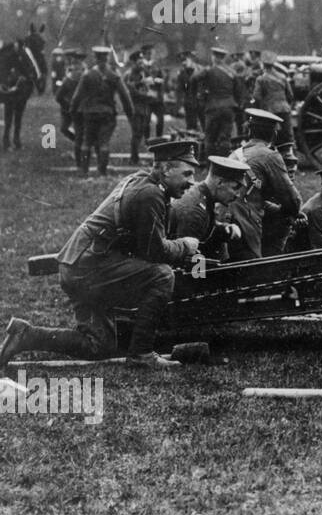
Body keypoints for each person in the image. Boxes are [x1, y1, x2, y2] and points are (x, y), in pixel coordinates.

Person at [0, 139, 202, 367]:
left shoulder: (140, 181)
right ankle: (142, 353)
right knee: (162, 275)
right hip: (88, 270)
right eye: (187, 174)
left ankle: (25, 335)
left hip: (78, 265)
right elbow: (155, 251)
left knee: (99, 345)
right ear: (165, 169)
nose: (191, 182)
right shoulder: (149, 195)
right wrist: (185, 245)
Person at [226, 108, 301, 260]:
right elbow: (292, 200)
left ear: (249, 132)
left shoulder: (235, 154)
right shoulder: (269, 155)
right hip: (245, 221)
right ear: (274, 134)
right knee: (256, 271)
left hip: (224, 217)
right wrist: (292, 213)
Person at [169, 154, 248, 261]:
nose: (238, 195)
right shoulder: (194, 211)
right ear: (220, 182)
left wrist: (223, 228)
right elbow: (191, 263)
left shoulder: (203, 196)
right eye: (235, 188)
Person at [70, 46, 134, 177]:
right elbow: (125, 96)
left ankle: (84, 170)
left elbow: (77, 96)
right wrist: (130, 113)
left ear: (95, 58)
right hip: (107, 114)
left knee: (87, 142)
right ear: (108, 58)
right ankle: (101, 172)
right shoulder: (114, 75)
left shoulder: (87, 75)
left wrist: (73, 111)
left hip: (89, 114)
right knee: (104, 142)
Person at [198, 46, 244, 159]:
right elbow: (238, 91)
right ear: (223, 58)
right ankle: (223, 166)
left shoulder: (208, 71)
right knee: (225, 138)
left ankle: (210, 167)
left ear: (213, 57)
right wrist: (236, 104)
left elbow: (195, 79)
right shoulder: (232, 72)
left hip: (213, 107)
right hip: (229, 107)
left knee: (210, 138)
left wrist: (202, 99)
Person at [251, 53, 295, 146]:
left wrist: (259, 108)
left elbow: (256, 97)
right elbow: (290, 95)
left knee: (269, 136)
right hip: (284, 109)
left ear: (263, 64)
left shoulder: (261, 79)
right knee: (288, 135)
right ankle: (292, 154)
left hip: (269, 110)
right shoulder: (283, 77)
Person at [125, 50, 153, 165]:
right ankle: (134, 158)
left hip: (143, 106)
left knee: (140, 132)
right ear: (134, 63)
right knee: (136, 133)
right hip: (135, 107)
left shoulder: (142, 73)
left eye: (142, 63)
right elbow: (131, 91)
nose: (142, 65)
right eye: (139, 63)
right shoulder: (130, 75)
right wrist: (145, 93)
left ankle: (135, 157)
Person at [55, 48, 85, 143]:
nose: (70, 59)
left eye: (71, 57)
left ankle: (82, 147)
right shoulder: (69, 67)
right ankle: (81, 143)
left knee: (78, 129)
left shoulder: (82, 69)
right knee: (65, 128)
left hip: (76, 103)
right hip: (68, 103)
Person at [178, 51, 202, 132]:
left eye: (185, 60)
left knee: (204, 124)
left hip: (201, 101)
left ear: (192, 59)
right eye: (182, 61)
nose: (183, 63)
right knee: (191, 126)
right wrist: (180, 104)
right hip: (189, 102)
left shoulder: (200, 69)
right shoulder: (182, 73)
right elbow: (181, 90)